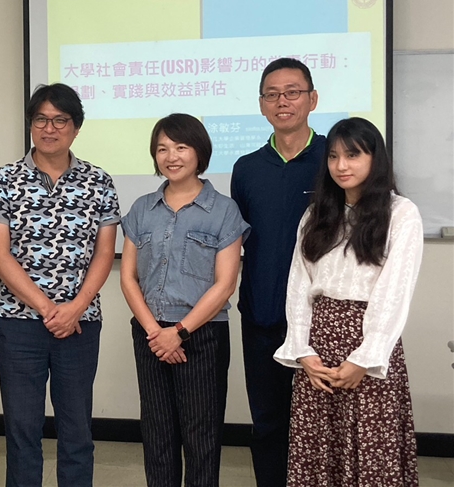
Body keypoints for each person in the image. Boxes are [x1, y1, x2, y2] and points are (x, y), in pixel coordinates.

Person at [0, 83, 120, 487]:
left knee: (77, 431)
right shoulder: (3, 180)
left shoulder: (99, 181)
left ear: (76, 127)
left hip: (80, 324)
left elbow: (104, 253)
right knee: (22, 430)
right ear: (30, 124)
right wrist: (47, 308)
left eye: (60, 120)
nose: (49, 128)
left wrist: (75, 308)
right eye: (41, 119)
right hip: (19, 324)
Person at [274, 117, 422, 485]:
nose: (341, 165)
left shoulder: (400, 213)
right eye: (334, 156)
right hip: (318, 351)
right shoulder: (317, 214)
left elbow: (395, 290)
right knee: (318, 451)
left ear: (375, 158)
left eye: (353, 155)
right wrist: (302, 351)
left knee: (371, 451)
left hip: (369, 349)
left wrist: (365, 358)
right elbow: (298, 285)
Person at [120, 114, 250, 487]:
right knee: (157, 434)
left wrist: (178, 332)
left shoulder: (224, 210)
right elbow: (128, 278)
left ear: (199, 151)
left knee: (201, 438)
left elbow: (225, 284)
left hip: (202, 336)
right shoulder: (142, 208)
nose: (171, 156)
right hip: (149, 335)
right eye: (162, 149)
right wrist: (155, 332)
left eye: (181, 147)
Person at [230, 58, 326, 487]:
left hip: (323, 322)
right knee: (268, 423)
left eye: (292, 92)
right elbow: (239, 243)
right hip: (263, 316)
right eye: (272, 94)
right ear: (261, 105)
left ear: (312, 99)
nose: (282, 101)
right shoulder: (247, 168)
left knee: (321, 424)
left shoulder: (335, 160)